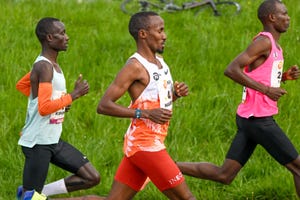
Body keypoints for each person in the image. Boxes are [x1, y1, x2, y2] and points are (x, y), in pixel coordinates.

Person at [176, 0, 300, 197]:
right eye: (284, 14)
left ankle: (166, 167)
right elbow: (231, 69)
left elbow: (257, 74)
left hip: (249, 120)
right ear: (271, 17)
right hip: (259, 120)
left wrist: (284, 77)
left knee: (224, 174)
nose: (288, 18)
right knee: (298, 168)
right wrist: (267, 90)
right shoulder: (264, 42)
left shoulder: (274, 45)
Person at [96, 11, 196, 200]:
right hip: (146, 145)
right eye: (160, 30)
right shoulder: (135, 66)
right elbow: (103, 106)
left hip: (146, 143)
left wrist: (174, 95)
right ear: (143, 34)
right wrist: (146, 114)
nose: (164, 36)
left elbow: (156, 103)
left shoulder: (160, 63)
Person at [16, 17, 100, 200]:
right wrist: (73, 95)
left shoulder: (50, 65)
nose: (67, 37)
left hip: (52, 140)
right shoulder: (44, 66)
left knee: (92, 177)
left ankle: (39, 194)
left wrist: (59, 103)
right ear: (49, 38)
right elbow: (44, 108)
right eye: (62, 33)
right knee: (31, 198)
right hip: (38, 143)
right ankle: (32, 195)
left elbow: (23, 86)